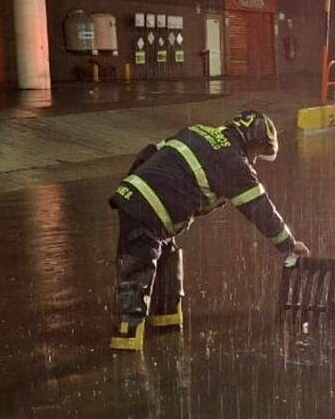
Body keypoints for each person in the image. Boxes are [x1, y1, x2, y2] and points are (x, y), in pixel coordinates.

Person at [108, 110, 310, 350]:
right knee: (136, 275)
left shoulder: (198, 131)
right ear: (249, 141)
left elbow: (149, 153)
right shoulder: (233, 162)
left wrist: (129, 191)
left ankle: (167, 333)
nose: (255, 160)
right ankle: (127, 351)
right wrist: (288, 243)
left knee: (168, 262)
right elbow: (260, 209)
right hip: (149, 214)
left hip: (138, 202)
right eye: (256, 152)